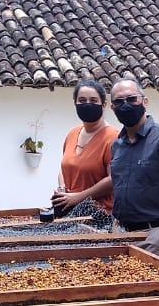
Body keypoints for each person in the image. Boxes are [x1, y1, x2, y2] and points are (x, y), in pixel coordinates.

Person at [108, 78, 159, 257]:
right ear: (112, 108)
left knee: (155, 286)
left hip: (155, 237)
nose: (126, 105)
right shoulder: (117, 145)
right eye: (119, 102)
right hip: (121, 235)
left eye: (131, 99)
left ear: (145, 101)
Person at [49, 80, 115, 229]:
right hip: (70, 215)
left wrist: (79, 197)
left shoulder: (112, 137)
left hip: (99, 219)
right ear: (75, 103)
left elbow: (114, 179)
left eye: (93, 100)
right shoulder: (72, 133)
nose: (87, 104)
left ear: (103, 105)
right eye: (82, 100)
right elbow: (65, 166)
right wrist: (62, 190)